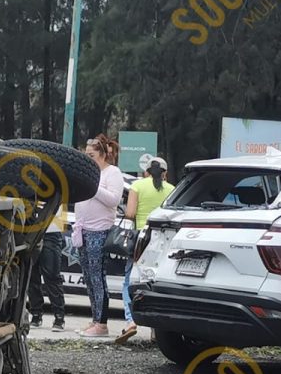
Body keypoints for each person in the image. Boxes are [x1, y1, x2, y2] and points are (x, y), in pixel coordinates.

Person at [117, 154, 175, 343]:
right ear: (165, 174)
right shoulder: (172, 190)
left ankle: (131, 322)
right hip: (164, 240)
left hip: (141, 239)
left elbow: (131, 213)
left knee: (129, 281)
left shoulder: (137, 186)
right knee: (155, 283)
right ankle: (156, 330)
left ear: (146, 172)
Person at [74, 133, 124, 338]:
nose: (89, 158)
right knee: (87, 276)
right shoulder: (89, 172)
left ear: (103, 154)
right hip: (83, 230)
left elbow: (113, 200)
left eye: (92, 155)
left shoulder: (113, 173)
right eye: (86, 154)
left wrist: (93, 187)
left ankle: (102, 323)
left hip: (99, 232)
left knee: (97, 277)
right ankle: (95, 318)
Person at [28, 206, 67, 332]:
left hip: (51, 229)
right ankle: (35, 314)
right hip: (31, 228)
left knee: (51, 275)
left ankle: (59, 317)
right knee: (32, 275)